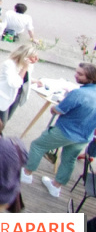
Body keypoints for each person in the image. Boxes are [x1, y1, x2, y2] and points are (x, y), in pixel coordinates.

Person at [21, 63, 96, 198]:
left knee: (37, 146)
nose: (76, 75)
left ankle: (27, 173)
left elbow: (57, 110)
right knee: (69, 160)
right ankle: (56, 187)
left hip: (65, 131)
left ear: (90, 78)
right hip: (85, 136)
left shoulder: (78, 93)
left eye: (80, 74)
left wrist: (57, 106)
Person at [0, 44, 40, 127]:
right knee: (1, 123)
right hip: (3, 97)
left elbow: (25, 78)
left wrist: (35, 81)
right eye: (33, 57)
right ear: (25, 57)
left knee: (5, 119)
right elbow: (15, 83)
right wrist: (24, 68)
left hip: (16, 96)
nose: (36, 60)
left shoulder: (28, 65)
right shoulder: (10, 64)